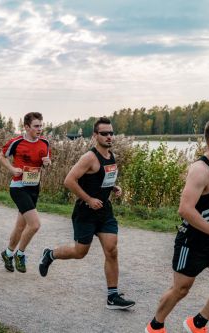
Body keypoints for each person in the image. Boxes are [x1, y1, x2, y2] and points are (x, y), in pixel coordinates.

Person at [145, 118, 209, 333]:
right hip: (193, 240)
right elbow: (185, 209)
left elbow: (208, 204)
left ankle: (196, 323)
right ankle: (155, 326)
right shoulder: (200, 170)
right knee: (180, 289)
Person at [38, 117, 135, 310]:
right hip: (85, 212)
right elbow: (69, 180)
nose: (109, 136)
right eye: (104, 133)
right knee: (80, 252)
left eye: (111, 133)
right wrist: (89, 199)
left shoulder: (111, 156)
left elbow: (101, 177)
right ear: (95, 136)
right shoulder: (89, 157)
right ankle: (50, 255)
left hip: (105, 211)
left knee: (112, 250)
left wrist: (113, 186)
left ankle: (112, 296)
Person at [0, 112, 51, 273]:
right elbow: (1, 156)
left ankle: (7, 253)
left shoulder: (44, 143)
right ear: (26, 127)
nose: (39, 129)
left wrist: (48, 163)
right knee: (34, 225)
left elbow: (46, 163)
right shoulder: (17, 142)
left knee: (21, 226)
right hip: (18, 187)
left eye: (41, 126)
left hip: (34, 187)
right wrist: (12, 168)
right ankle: (20, 254)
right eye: (36, 126)